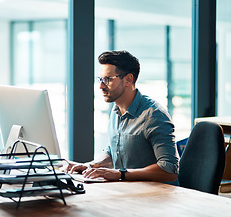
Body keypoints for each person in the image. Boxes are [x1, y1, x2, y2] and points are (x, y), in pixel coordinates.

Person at [66, 50, 179, 183]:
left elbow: (169, 170)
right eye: (101, 79)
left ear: (128, 79)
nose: (101, 86)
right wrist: (91, 165)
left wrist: (120, 173)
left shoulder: (154, 115)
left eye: (107, 80)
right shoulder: (115, 111)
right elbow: (114, 149)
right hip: (127, 190)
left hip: (156, 196)